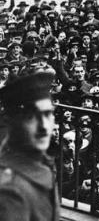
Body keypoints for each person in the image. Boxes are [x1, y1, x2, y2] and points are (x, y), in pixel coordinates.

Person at [0, 68, 59, 220]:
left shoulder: (41, 164)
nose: (44, 126)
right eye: (31, 117)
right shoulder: (10, 192)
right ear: (11, 122)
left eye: (47, 114)